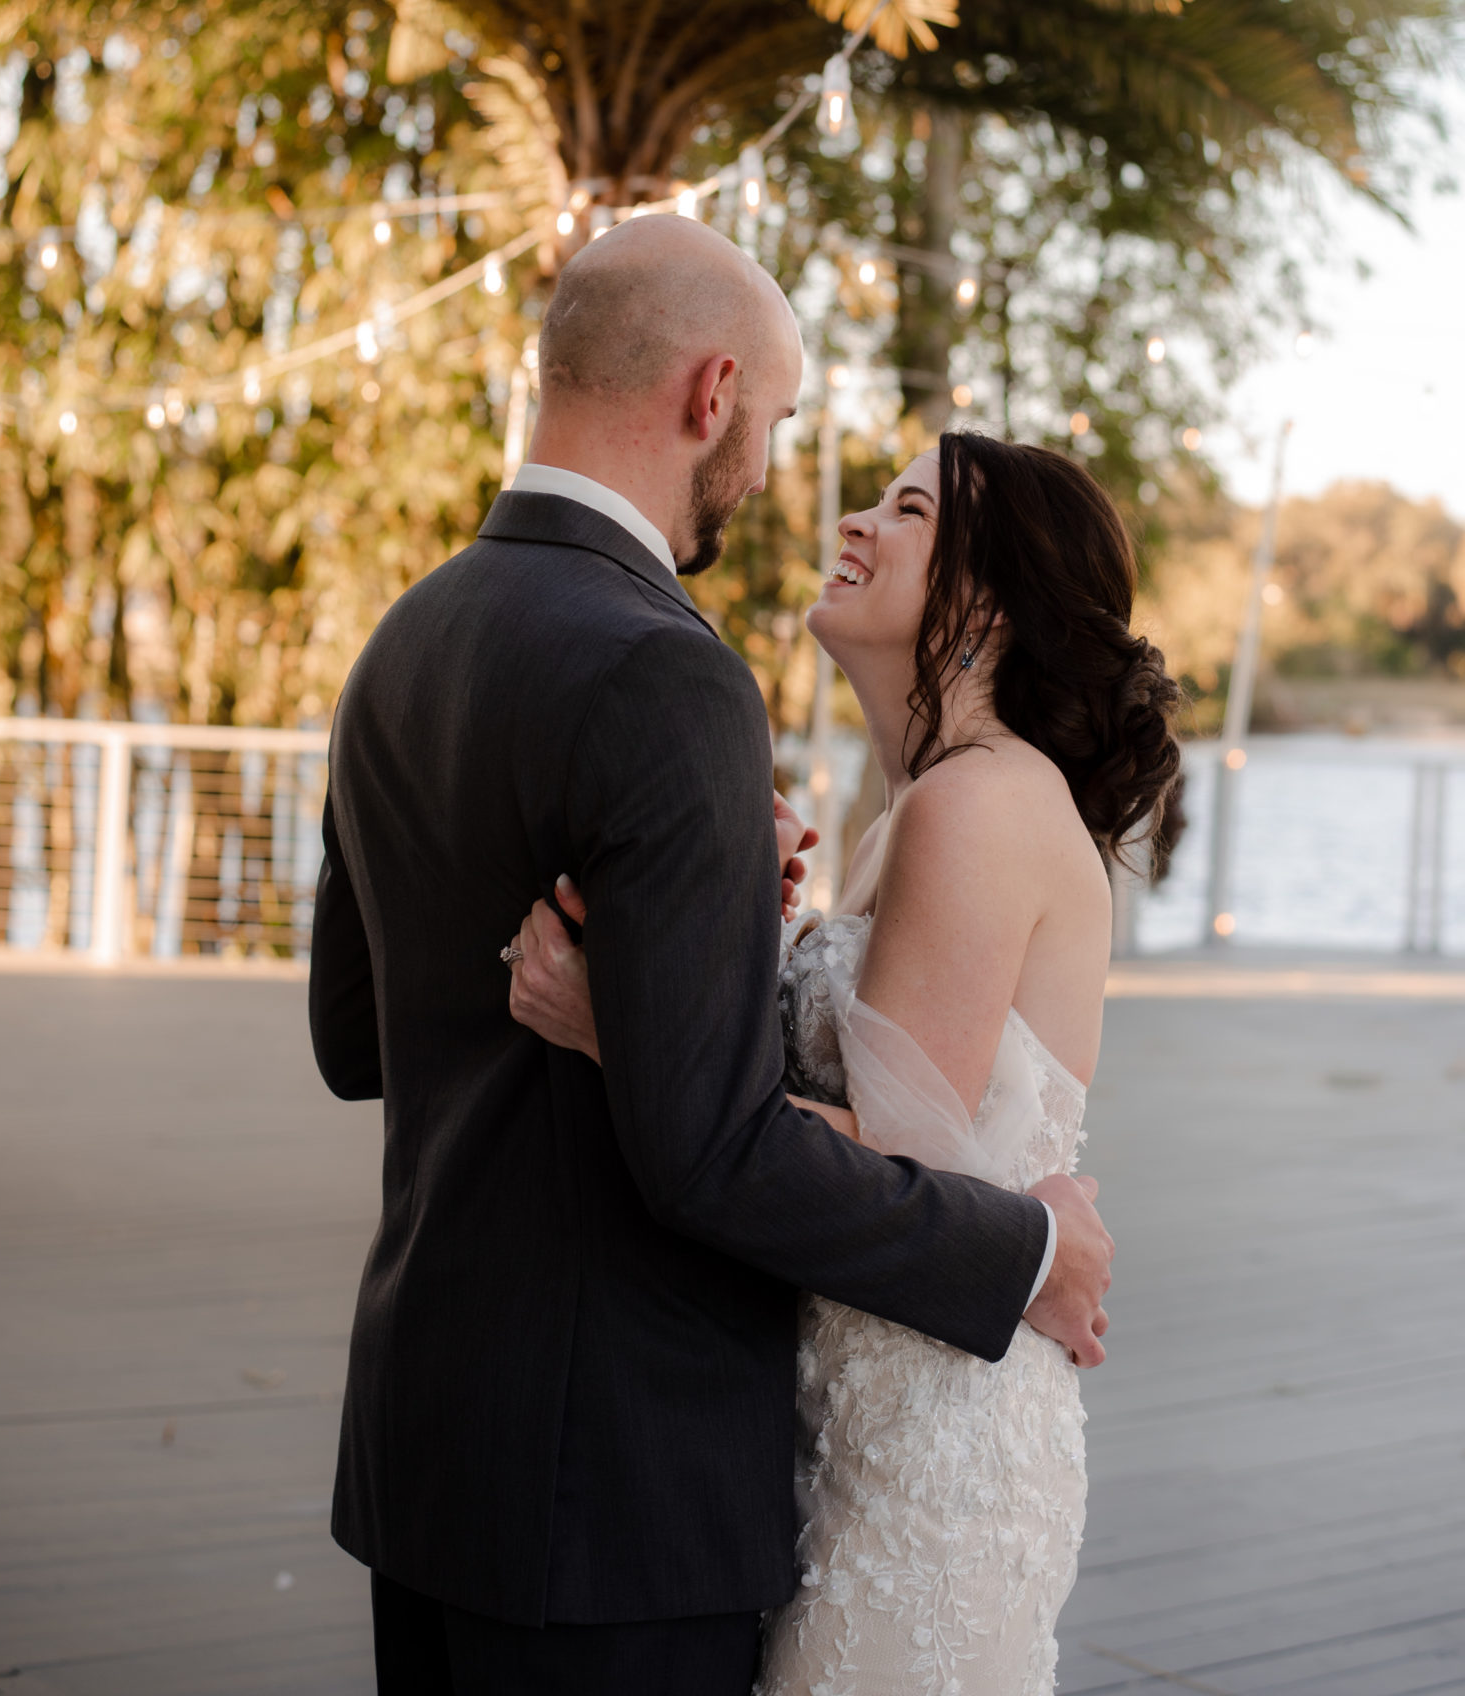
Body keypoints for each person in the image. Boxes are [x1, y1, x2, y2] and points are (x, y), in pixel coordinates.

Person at [308, 213, 1115, 1696]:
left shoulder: (402, 644)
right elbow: (705, 1143)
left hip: (429, 1449)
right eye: (782, 423)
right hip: (614, 1488)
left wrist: (700, 942)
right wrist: (1029, 1251)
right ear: (710, 395)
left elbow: (353, 1041)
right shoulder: (664, 669)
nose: (785, 475)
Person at [510, 425, 1183, 1694]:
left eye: (908, 510)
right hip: (853, 1410)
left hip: (930, 1448)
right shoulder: (908, 813)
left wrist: (618, 1032)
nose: (856, 524)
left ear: (986, 600)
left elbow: (900, 1174)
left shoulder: (972, 806)